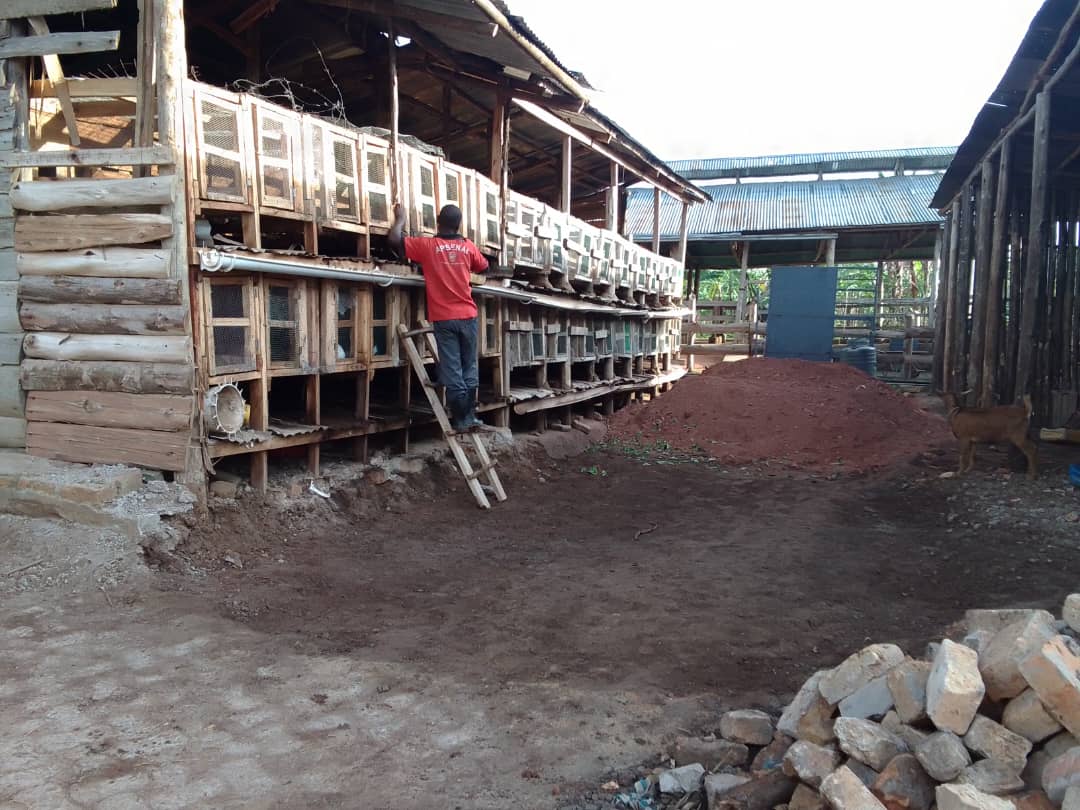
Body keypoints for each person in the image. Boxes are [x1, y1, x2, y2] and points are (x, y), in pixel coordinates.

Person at [388, 202, 489, 432]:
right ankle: (470, 415)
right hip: (468, 316)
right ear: (458, 225)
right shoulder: (468, 246)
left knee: (452, 368)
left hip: (444, 319)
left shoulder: (428, 246)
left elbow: (394, 240)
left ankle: (461, 420)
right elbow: (483, 267)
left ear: (438, 221)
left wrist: (401, 218)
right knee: (469, 366)